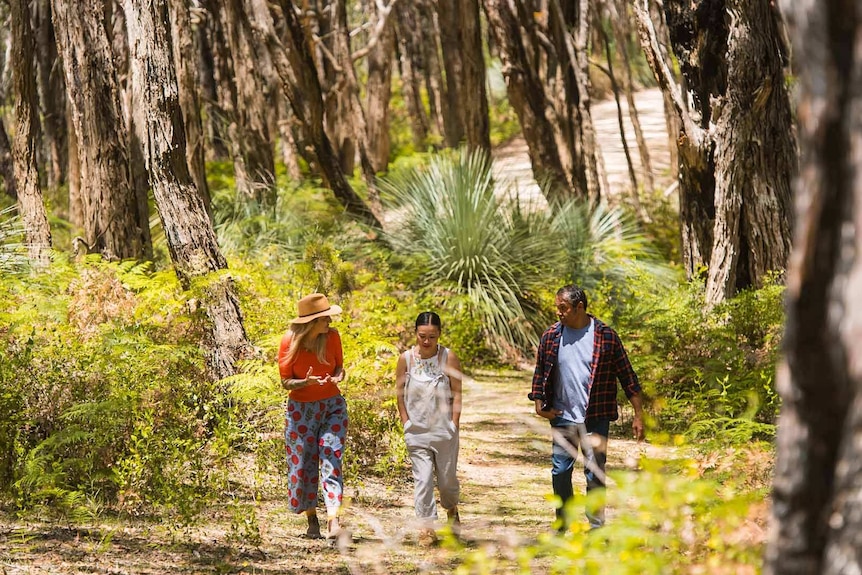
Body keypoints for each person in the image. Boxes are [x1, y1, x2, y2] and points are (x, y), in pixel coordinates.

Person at [528, 285, 644, 531]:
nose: (559, 313)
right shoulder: (551, 335)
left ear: (579, 307)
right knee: (560, 472)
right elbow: (541, 372)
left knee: (594, 474)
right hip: (562, 416)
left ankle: (596, 527)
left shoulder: (605, 336)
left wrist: (638, 415)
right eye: (557, 308)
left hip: (596, 417)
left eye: (563, 308)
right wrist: (539, 404)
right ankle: (563, 522)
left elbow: (628, 377)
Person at [277, 293, 348, 539]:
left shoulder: (333, 337)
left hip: (332, 406)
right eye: (324, 318)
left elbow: (340, 367)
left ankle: (333, 520)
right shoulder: (289, 341)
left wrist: (339, 376)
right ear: (311, 322)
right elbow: (286, 382)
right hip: (301, 410)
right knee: (303, 463)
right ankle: (312, 520)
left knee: (331, 455)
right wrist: (304, 382)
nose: (329, 322)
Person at [395, 312, 463, 546]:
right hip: (417, 431)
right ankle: (426, 527)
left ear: (439, 335)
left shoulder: (448, 357)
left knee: (447, 482)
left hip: (444, 432)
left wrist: (454, 423)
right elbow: (399, 394)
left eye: (431, 337)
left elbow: (457, 393)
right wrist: (406, 421)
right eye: (422, 336)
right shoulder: (406, 359)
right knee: (422, 481)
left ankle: (452, 510)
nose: (426, 341)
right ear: (415, 333)